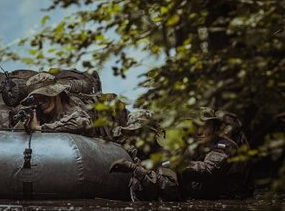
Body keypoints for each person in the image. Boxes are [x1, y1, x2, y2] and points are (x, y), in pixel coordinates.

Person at [110, 107, 254, 201]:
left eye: (204, 126)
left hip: (230, 203)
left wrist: (175, 164)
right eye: (195, 126)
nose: (199, 131)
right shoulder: (193, 148)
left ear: (215, 127)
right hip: (206, 202)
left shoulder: (225, 146)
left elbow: (209, 170)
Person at [14, 72, 93, 134]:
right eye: (36, 99)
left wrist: (39, 128)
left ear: (56, 94)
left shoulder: (71, 105)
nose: (40, 102)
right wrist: (24, 122)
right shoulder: (39, 112)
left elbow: (82, 123)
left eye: (43, 97)